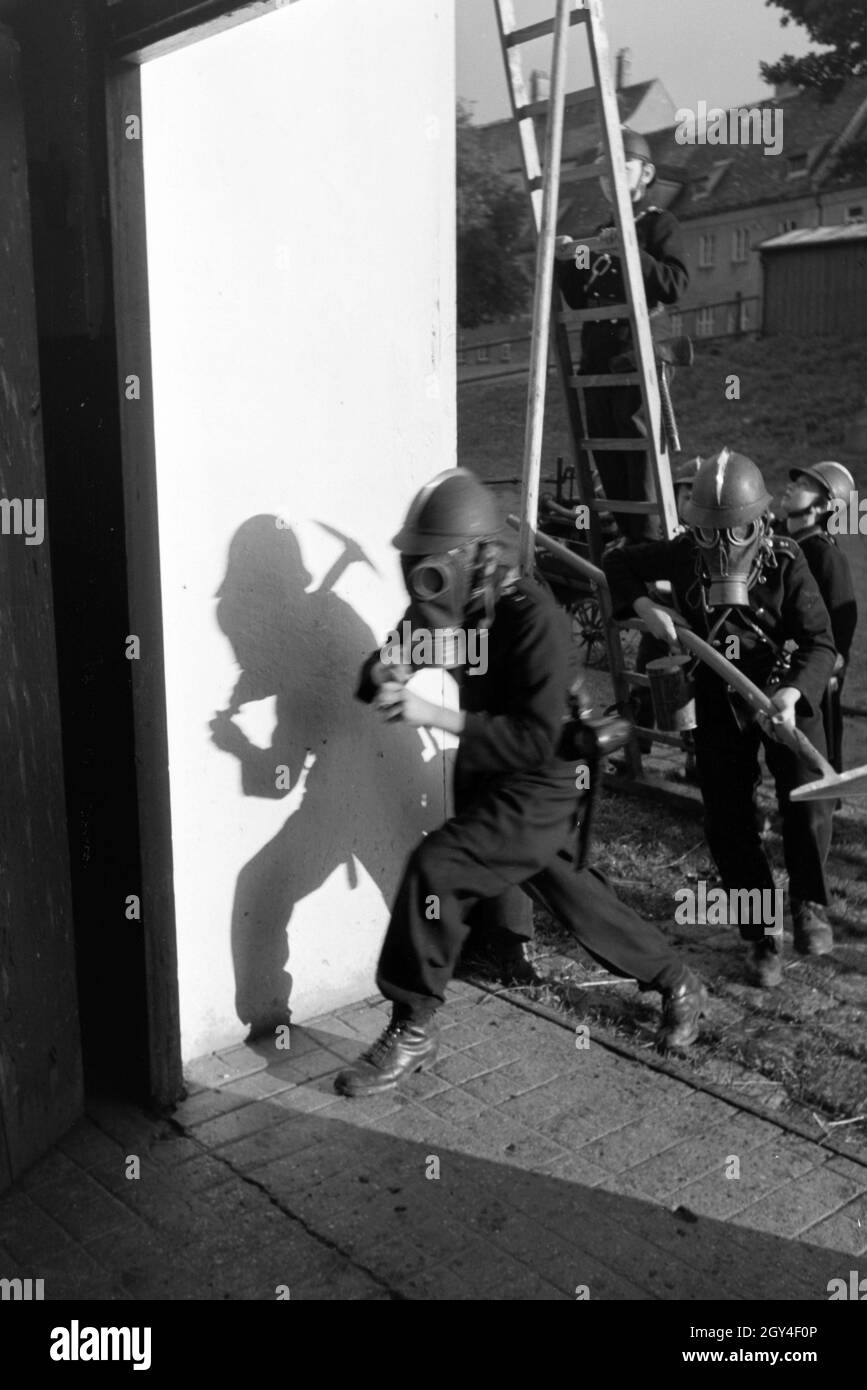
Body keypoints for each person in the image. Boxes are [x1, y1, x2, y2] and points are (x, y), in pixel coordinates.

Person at [334, 468, 707, 1098]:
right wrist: (388, 668)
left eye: (433, 567)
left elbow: (537, 737)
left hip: (543, 781)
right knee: (569, 888)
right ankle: (677, 980)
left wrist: (433, 714)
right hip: (492, 777)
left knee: (437, 866)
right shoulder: (448, 609)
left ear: (477, 557)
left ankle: (412, 1025)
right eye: (417, 567)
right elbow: (377, 670)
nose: (423, 581)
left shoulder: (535, 617)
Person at [604, 449, 839, 987]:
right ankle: (760, 934)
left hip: (781, 692)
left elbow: (819, 644)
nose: (717, 546)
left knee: (806, 800)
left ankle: (808, 902)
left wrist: (791, 697)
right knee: (728, 819)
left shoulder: (786, 562)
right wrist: (645, 607)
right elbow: (621, 563)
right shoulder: (686, 553)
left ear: (757, 521)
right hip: (718, 695)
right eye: (707, 533)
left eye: (730, 533)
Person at [554, 127, 689, 543]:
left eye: (621, 166)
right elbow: (579, 298)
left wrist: (630, 248)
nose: (609, 177)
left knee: (639, 455)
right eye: (602, 173)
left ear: (645, 174)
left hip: (639, 355)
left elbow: (674, 284)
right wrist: (566, 257)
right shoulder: (598, 233)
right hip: (598, 359)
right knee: (606, 451)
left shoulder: (658, 224)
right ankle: (630, 543)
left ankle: (651, 545)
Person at [777, 462, 858, 773]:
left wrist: (833, 666)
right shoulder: (783, 541)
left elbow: (843, 620)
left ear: (825, 505)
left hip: (815, 664)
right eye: (795, 482)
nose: (791, 486)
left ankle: (827, 797)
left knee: (820, 733)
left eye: (804, 486)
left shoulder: (826, 555)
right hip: (783, 662)